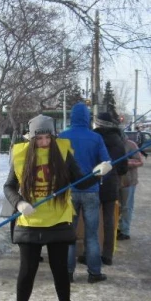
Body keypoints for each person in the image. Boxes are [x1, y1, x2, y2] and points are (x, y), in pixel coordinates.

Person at [3, 114, 111, 301]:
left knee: (60, 271)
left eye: (47, 137)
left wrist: (97, 173)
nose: (44, 142)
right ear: (32, 139)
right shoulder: (21, 154)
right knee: (26, 272)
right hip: (30, 221)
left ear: (53, 136)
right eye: (39, 138)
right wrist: (20, 202)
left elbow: (80, 180)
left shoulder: (63, 152)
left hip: (58, 220)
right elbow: (9, 186)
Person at [59, 103, 111, 282]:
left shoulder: (62, 137)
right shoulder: (95, 138)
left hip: (69, 191)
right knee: (91, 234)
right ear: (87, 118)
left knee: (68, 234)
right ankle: (94, 272)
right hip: (91, 191)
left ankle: (67, 272)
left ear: (72, 117)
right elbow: (106, 163)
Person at [93, 112, 128, 265]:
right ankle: (107, 254)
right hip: (111, 183)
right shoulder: (117, 139)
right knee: (109, 220)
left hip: (93, 181)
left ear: (97, 123)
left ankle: (90, 252)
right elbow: (123, 167)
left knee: (91, 219)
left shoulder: (93, 138)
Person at [118, 137, 144, 240]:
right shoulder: (110, 143)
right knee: (117, 207)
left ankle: (125, 231)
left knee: (126, 207)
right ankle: (118, 228)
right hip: (115, 181)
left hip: (128, 181)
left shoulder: (131, 145)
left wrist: (125, 162)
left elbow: (140, 161)